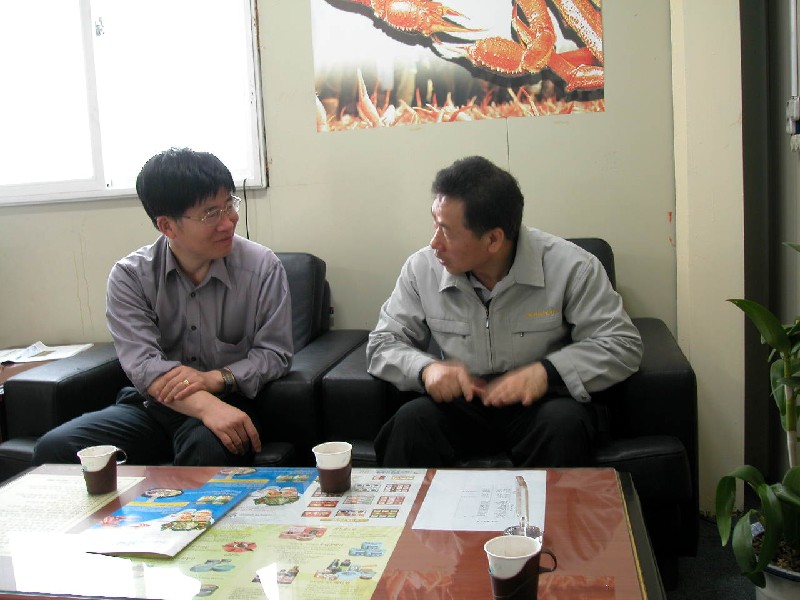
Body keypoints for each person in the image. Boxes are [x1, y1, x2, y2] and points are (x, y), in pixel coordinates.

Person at [367, 155, 643, 468]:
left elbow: (622, 344)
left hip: (540, 404)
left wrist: (547, 372)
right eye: (435, 224)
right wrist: (425, 369)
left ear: (493, 239)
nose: (434, 244)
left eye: (447, 231)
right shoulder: (422, 269)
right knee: (409, 423)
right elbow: (382, 344)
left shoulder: (572, 267)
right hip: (462, 404)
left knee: (564, 425)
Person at [33, 148, 293, 467]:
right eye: (211, 214)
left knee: (207, 451)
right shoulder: (130, 276)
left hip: (230, 401)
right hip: (153, 406)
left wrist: (215, 379)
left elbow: (275, 353)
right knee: (56, 448)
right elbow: (143, 364)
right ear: (167, 226)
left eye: (229, 205)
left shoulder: (261, 267)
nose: (228, 222)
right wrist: (205, 405)